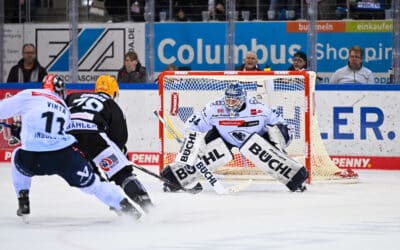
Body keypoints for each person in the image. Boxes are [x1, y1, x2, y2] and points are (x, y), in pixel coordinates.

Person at [0, 74, 141, 221]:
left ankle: (23, 198)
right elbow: (58, 132)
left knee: (17, 155)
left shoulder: (30, 94)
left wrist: (18, 131)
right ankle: (126, 208)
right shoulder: (63, 108)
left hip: (33, 158)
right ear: (60, 90)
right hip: (64, 157)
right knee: (94, 185)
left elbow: (4, 110)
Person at [160, 83, 309, 193]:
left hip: (256, 137)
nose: (230, 104)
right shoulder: (214, 108)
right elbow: (193, 125)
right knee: (206, 155)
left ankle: (295, 177)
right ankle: (173, 178)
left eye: (234, 101)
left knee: (265, 154)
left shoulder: (260, 109)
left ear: (243, 99)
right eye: (228, 100)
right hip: (223, 137)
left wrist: (280, 142)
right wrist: (192, 142)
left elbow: (282, 126)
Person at [64, 75, 153, 212]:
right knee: (122, 174)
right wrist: (121, 157)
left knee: (95, 180)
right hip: (94, 137)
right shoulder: (112, 105)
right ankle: (148, 207)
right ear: (115, 92)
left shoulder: (73, 96)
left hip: (68, 141)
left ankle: (122, 207)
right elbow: (119, 140)